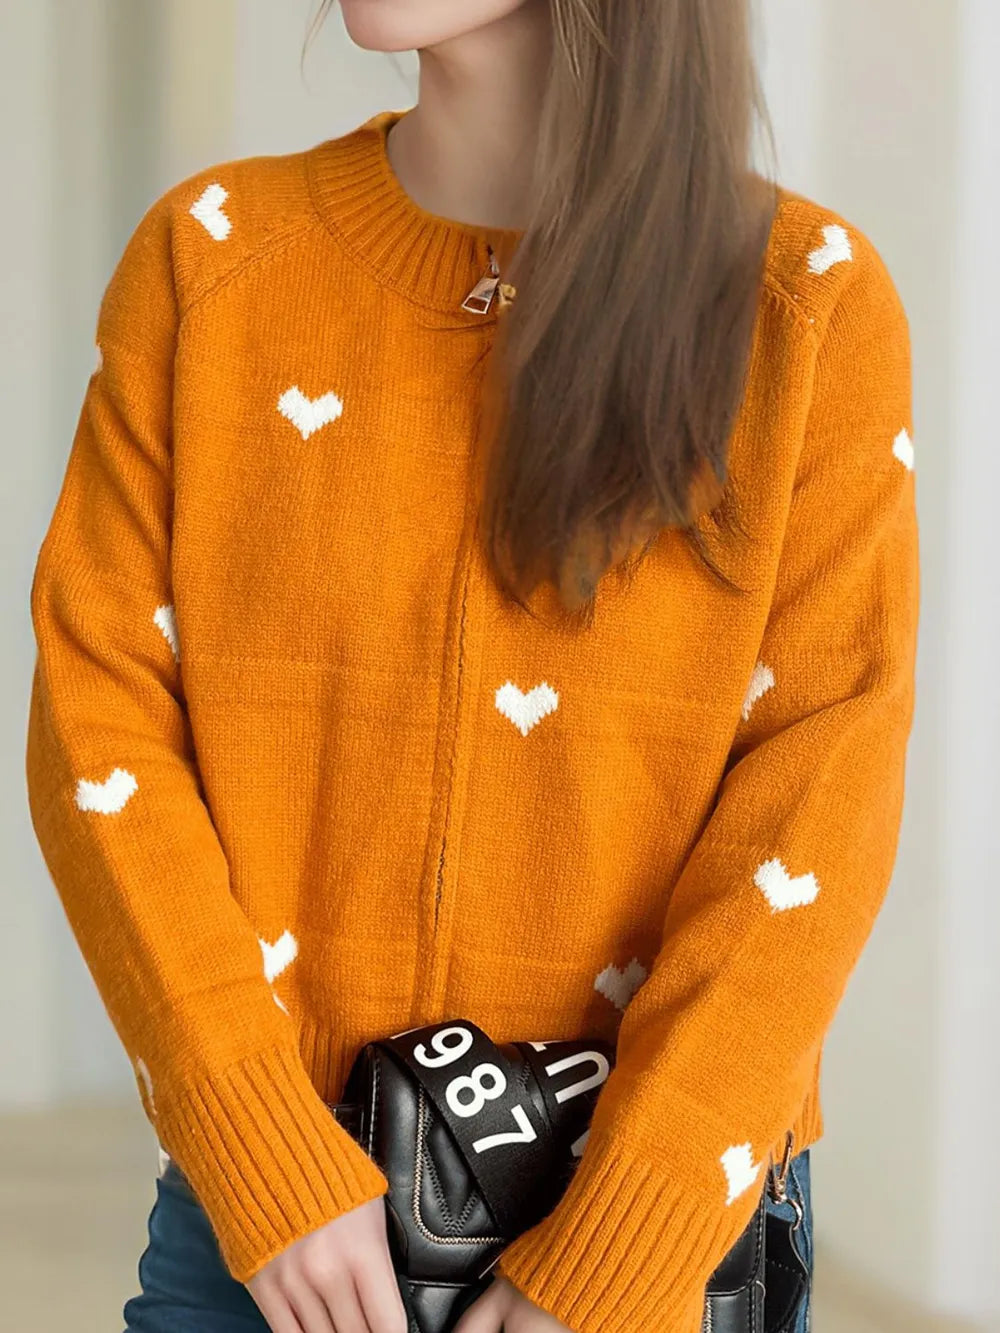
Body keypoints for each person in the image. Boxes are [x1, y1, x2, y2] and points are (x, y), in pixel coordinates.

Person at [24, 1, 918, 1331]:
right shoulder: (210, 259)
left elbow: (821, 803)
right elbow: (99, 721)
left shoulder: (806, 304)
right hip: (276, 1228)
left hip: (655, 1239)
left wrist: (618, 1250)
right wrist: (261, 1148)